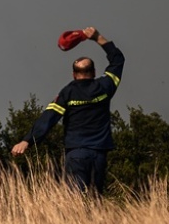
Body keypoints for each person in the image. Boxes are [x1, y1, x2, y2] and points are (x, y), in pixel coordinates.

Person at [11, 27, 124, 194]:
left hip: (76, 153)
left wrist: (27, 140)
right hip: (99, 153)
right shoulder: (105, 87)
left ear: (73, 74)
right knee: (95, 199)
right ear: (93, 72)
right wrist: (97, 37)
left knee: (75, 199)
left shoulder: (67, 93)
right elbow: (118, 61)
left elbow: (48, 118)